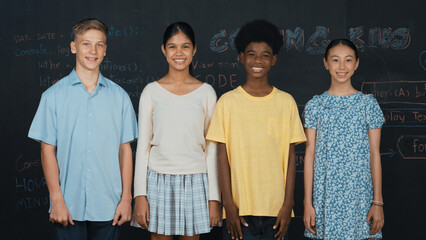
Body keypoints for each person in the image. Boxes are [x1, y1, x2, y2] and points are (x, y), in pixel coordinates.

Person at [28, 18, 138, 240]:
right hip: (68, 205)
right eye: (86, 43)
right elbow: (47, 149)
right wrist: (56, 198)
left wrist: (127, 198)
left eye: (99, 44)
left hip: (110, 206)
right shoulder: (53, 96)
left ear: (105, 50)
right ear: (73, 47)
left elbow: (125, 150)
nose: (93, 50)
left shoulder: (120, 97)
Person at [206, 19, 307, 240]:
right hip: (239, 212)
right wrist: (228, 205)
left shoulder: (285, 102)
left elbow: (291, 158)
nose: (258, 60)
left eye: (265, 55)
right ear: (241, 57)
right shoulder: (227, 102)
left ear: (274, 59)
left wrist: (288, 203)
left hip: (277, 210)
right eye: (251, 54)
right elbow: (222, 157)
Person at [131, 22, 221, 240]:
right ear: (163, 50)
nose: (179, 53)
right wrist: (140, 195)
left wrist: (214, 198)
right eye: (172, 47)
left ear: (194, 49)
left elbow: (212, 150)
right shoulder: (151, 92)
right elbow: (143, 147)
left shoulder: (206, 93)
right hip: (158, 180)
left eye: (185, 46)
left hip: (195, 180)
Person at [303, 39, 385, 240]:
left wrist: (378, 202)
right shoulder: (315, 105)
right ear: (326, 63)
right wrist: (307, 203)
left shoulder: (367, 105)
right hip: (325, 199)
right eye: (335, 60)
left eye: (348, 60)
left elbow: (375, 154)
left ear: (356, 64)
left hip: (360, 198)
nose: (342, 67)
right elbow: (310, 154)